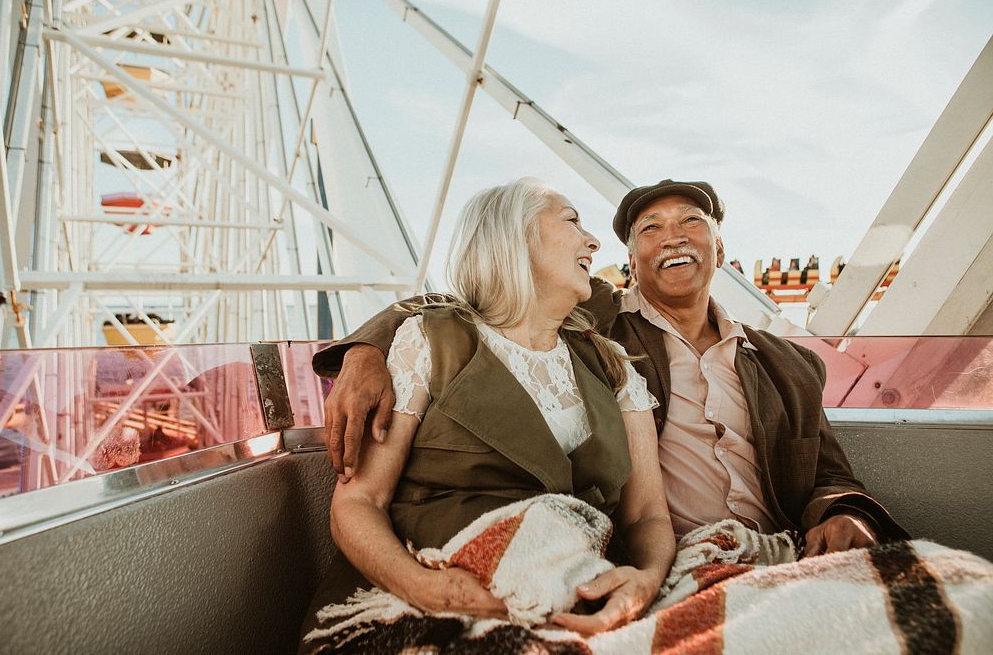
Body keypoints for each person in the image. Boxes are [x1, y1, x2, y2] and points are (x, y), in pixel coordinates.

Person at [314, 178, 908, 557]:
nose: (672, 237)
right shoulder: (597, 323)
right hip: (674, 553)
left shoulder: (791, 364)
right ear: (629, 260)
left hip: (782, 546)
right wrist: (365, 352)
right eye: (650, 229)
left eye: (691, 223)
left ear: (720, 251)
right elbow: (468, 301)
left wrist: (844, 512)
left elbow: (831, 474)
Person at [301, 179, 676, 647]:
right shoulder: (430, 342)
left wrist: (644, 580)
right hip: (426, 590)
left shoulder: (613, 366)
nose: (594, 241)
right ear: (513, 236)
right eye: (572, 220)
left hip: (575, 589)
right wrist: (423, 588)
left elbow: (646, 516)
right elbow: (358, 502)